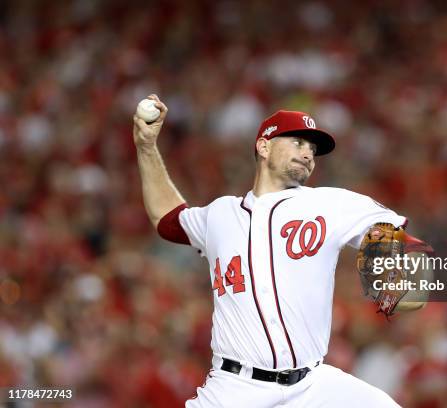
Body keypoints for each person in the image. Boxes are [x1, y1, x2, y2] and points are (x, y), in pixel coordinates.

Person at [133, 94, 427, 407]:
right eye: (298, 142)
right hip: (235, 389)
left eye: (312, 150)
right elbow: (167, 220)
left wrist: (401, 275)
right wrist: (146, 147)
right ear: (264, 146)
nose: (308, 154)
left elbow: (401, 245)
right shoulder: (220, 215)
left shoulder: (331, 204)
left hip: (313, 385)